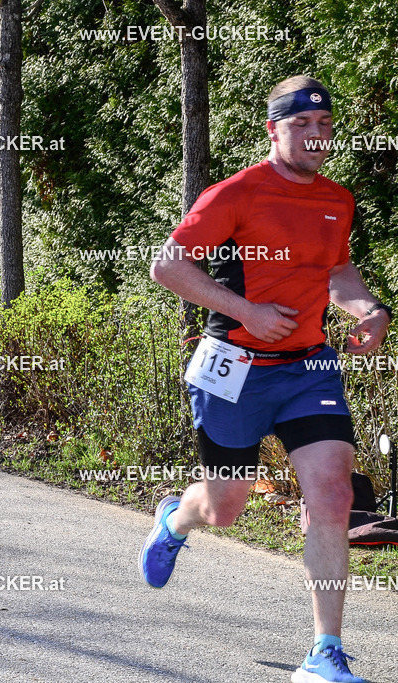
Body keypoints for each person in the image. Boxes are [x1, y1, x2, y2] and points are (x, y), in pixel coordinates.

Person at [140, 76, 390, 683]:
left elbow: (337, 270)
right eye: (300, 124)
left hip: (308, 367)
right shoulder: (236, 193)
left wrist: (370, 310)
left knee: (332, 496)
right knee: (225, 506)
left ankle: (325, 653)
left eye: (324, 125)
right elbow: (167, 265)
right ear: (273, 130)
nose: (315, 135)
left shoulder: (337, 199)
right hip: (234, 366)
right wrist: (246, 311)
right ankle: (176, 518)